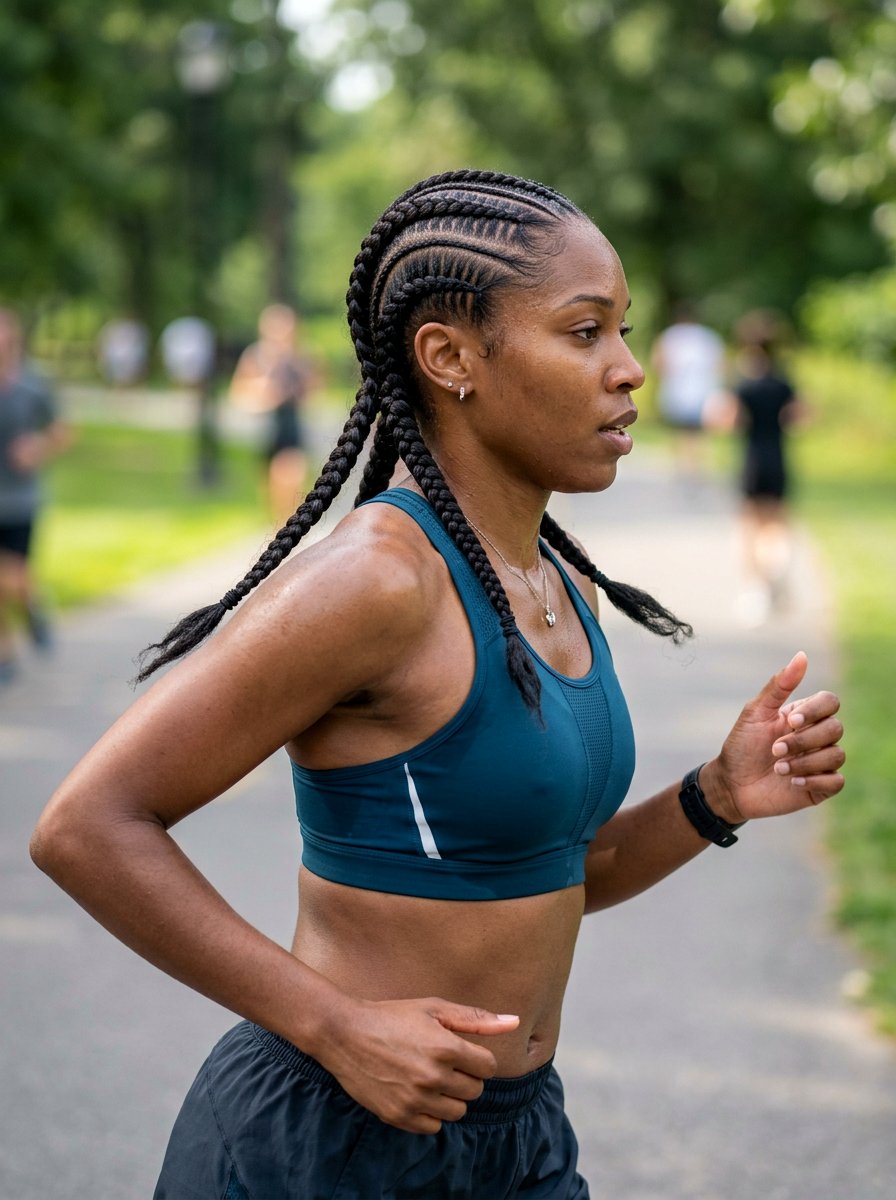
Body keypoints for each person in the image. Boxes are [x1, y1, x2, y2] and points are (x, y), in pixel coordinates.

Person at [30, 171, 845, 1199]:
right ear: (450, 357)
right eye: (584, 331)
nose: (629, 369)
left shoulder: (561, 586)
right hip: (330, 1141)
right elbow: (86, 825)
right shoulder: (376, 580)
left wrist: (714, 796)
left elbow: (553, 868)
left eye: (623, 331)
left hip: (517, 1142)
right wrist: (336, 1026)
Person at [711, 309, 807, 626]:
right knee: (777, 522)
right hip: (778, 457)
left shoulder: (743, 385)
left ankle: (756, 588)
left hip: (751, 460)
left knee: (750, 526)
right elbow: (799, 419)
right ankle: (778, 569)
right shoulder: (784, 382)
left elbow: (726, 421)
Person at [0, 308, 68, 684]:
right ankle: (5, 652)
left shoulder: (32, 385)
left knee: (15, 577)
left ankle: (32, 606)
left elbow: (62, 431)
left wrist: (37, 447)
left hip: (20, 499)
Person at [229, 303, 319, 524]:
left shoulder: (302, 357)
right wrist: (265, 392)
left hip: (290, 425)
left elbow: (314, 391)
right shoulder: (255, 356)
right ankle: (280, 523)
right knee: (271, 485)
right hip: (265, 427)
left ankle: (290, 523)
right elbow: (238, 394)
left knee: (291, 473)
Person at [651, 303, 725, 478]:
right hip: (703, 391)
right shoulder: (708, 337)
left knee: (680, 429)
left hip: (677, 390)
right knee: (698, 431)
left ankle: (682, 465)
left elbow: (658, 363)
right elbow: (719, 365)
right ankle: (696, 465)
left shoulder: (670, 336)